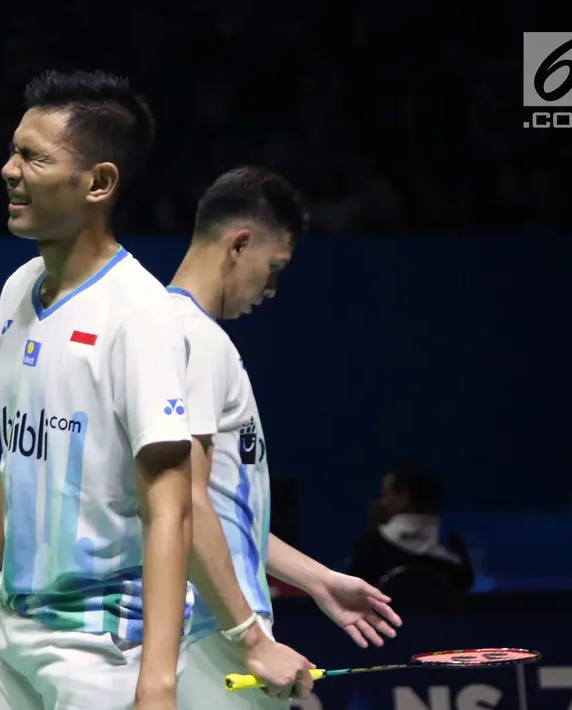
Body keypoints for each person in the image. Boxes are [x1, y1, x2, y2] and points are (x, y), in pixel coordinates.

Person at [0, 70, 193, 710]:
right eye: (13, 151)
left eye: (34, 156)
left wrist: (158, 681)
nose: (9, 170)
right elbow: (15, 469)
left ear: (99, 182)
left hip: (105, 651)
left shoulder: (139, 315)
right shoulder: (16, 292)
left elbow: (171, 507)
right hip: (14, 637)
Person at [166, 167, 402, 708]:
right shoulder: (197, 341)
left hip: (209, 628)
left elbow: (222, 509)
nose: (271, 290)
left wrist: (318, 580)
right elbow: (186, 503)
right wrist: (249, 637)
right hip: (212, 635)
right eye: (273, 269)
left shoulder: (167, 331)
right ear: (239, 243)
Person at [347, 464, 474, 610]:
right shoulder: (451, 543)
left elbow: (354, 592)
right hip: (443, 631)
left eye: (386, 495)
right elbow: (466, 585)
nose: (382, 502)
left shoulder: (372, 543)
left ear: (404, 498)